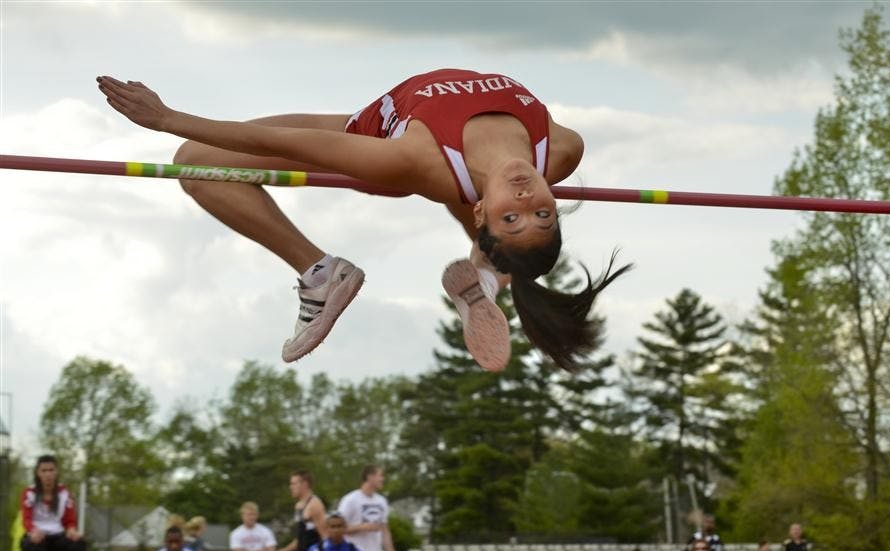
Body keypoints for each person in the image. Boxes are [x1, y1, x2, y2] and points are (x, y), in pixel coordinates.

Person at [96, 69, 631, 373]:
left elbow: (278, 142)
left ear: (480, 212)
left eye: (512, 216)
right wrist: (502, 229)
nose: (526, 194)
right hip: (392, 125)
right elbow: (490, 190)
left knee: (195, 162)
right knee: (476, 181)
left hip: (372, 139)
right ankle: (488, 274)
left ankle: (320, 273)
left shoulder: (414, 161)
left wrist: (168, 119)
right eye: (542, 211)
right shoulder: (562, 150)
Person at [20, 454, 87, 551]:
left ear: (56, 472)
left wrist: (72, 531)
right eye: (44, 471)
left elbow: (70, 520)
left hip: (57, 539)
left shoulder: (64, 493)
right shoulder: (29, 492)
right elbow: (26, 519)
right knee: (37, 543)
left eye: (51, 470)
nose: (48, 474)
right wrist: (33, 531)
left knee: (79, 543)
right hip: (35, 538)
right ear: (38, 473)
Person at [337, 465, 402, 551]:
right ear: (369, 477)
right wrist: (362, 527)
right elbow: (336, 528)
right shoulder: (350, 500)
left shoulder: (382, 501)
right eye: (380, 475)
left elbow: (385, 532)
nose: (382, 479)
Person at [274, 470, 327, 551]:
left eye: (294, 484)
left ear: (305, 484)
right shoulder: (298, 506)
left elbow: (325, 536)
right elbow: (300, 539)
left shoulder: (315, 505)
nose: (291, 487)